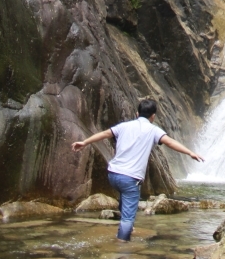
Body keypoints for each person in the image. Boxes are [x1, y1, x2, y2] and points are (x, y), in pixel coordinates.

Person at [72, 99, 204, 241]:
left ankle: (126, 225)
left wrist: (84, 142)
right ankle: (121, 247)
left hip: (113, 174)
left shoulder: (123, 126)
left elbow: (104, 134)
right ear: (153, 116)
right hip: (130, 178)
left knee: (124, 197)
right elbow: (170, 142)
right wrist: (190, 153)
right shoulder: (153, 130)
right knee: (128, 217)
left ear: (137, 113)